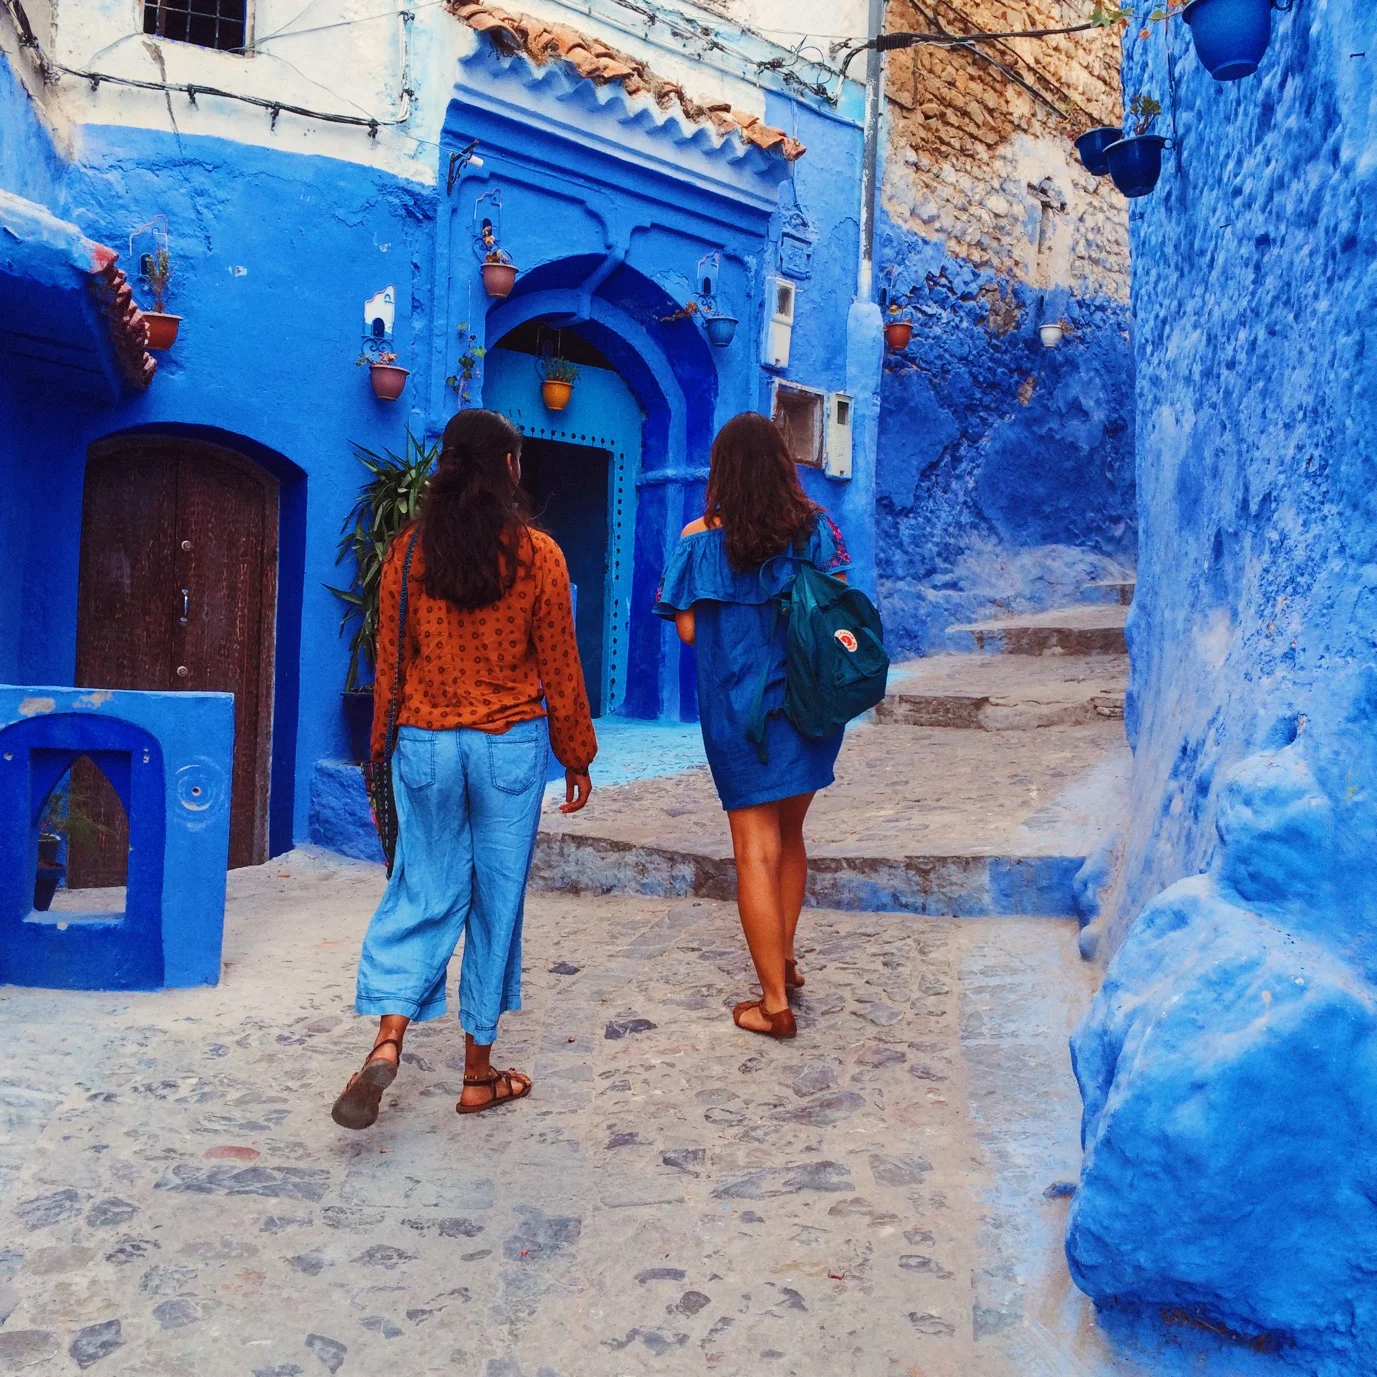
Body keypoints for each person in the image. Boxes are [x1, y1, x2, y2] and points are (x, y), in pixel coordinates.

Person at [332, 409, 596, 1130]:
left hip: (425, 742)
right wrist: (576, 752)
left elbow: (391, 661)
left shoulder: (408, 552)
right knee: (496, 901)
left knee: (423, 889)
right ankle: (478, 1073)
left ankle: (387, 1039)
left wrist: (380, 750)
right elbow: (560, 663)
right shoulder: (539, 554)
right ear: (507, 465)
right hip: (509, 744)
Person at [654, 412, 850, 1040]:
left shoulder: (697, 539)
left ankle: (773, 1003)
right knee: (790, 836)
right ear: (782, 465)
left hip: (738, 715)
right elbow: (839, 605)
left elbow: (688, 630)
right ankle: (784, 961)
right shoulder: (817, 529)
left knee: (753, 850)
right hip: (808, 708)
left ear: (722, 471)